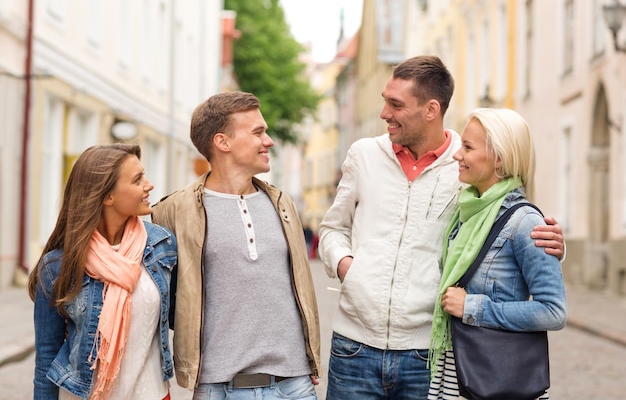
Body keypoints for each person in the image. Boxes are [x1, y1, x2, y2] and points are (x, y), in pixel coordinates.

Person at [317, 55, 565, 399]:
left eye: (395, 104)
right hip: (354, 347)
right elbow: (332, 228)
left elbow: (502, 219)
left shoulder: (466, 167)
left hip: (427, 353)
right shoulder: (364, 155)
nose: (384, 113)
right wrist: (348, 268)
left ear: (431, 109)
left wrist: (548, 242)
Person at [151, 91, 321, 400]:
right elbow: (160, 301)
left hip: (294, 386)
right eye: (258, 132)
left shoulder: (283, 205)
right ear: (222, 142)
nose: (268, 141)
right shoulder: (171, 211)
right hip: (216, 388)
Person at [427, 108, 567, 399]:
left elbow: (553, 312)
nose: (457, 155)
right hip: (457, 372)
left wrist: (474, 308)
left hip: (496, 378)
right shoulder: (465, 212)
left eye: (468, 147)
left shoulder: (525, 222)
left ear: (499, 158)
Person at [29, 144, 178, 400]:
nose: (149, 185)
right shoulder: (58, 266)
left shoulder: (161, 246)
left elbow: (181, 316)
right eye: (137, 179)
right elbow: (46, 354)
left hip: (151, 393)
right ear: (107, 196)